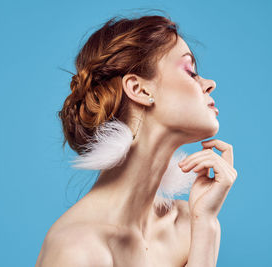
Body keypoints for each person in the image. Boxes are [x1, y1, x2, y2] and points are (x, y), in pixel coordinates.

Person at [35, 14, 237, 267]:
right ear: (139, 89)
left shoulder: (188, 224)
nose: (210, 84)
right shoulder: (79, 249)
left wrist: (207, 224)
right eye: (190, 71)